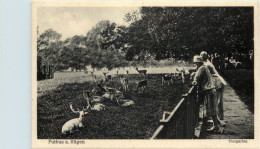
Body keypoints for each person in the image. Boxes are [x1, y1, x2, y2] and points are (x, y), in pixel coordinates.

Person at [192, 55, 224, 133]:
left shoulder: (202, 68)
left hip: (209, 90)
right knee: (212, 109)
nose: (195, 65)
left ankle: (218, 127)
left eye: (195, 63)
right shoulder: (204, 67)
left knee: (211, 109)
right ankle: (217, 125)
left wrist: (193, 78)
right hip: (211, 90)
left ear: (198, 63)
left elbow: (196, 78)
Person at [200, 51, 227, 127]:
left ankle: (220, 120)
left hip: (217, 82)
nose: (202, 56)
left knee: (217, 102)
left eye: (203, 55)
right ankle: (218, 120)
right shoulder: (206, 63)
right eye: (201, 55)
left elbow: (203, 73)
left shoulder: (207, 64)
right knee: (217, 102)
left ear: (206, 56)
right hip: (216, 82)